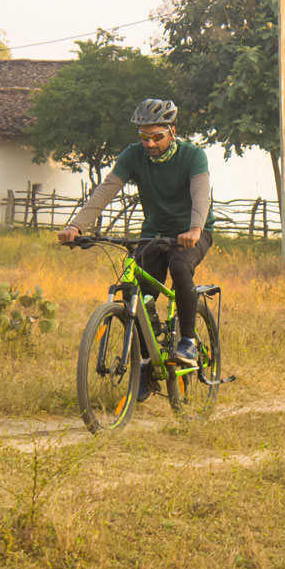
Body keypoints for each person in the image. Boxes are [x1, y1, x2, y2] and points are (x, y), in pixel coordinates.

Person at [57, 98, 215, 401]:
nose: (150, 143)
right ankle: (144, 366)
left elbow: (200, 195)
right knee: (136, 292)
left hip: (193, 231)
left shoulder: (193, 156)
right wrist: (76, 227)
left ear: (172, 131)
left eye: (157, 136)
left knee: (180, 267)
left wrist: (195, 228)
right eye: (144, 137)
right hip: (154, 232)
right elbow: (105, 190)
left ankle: (188, 341)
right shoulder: (132, 156)